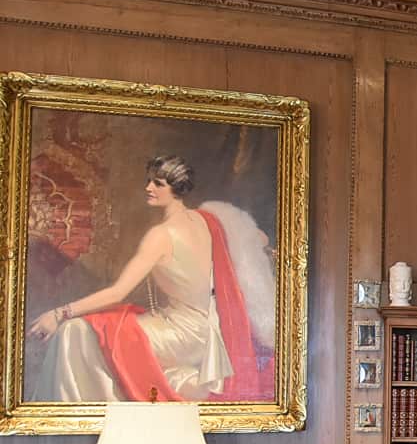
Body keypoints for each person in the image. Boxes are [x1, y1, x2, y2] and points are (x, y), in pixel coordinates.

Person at [28, 155, 275, 401]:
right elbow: (259, 239)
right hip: (208, 333)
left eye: (158, 184)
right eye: (149, 181)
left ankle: (79, 415)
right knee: (107, 327)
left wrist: (59, 313)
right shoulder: (209, 219)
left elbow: (117, 293)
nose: (148, 188)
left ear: (176, 188)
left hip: (182, 336)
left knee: (75, 331)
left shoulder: (161, 235)